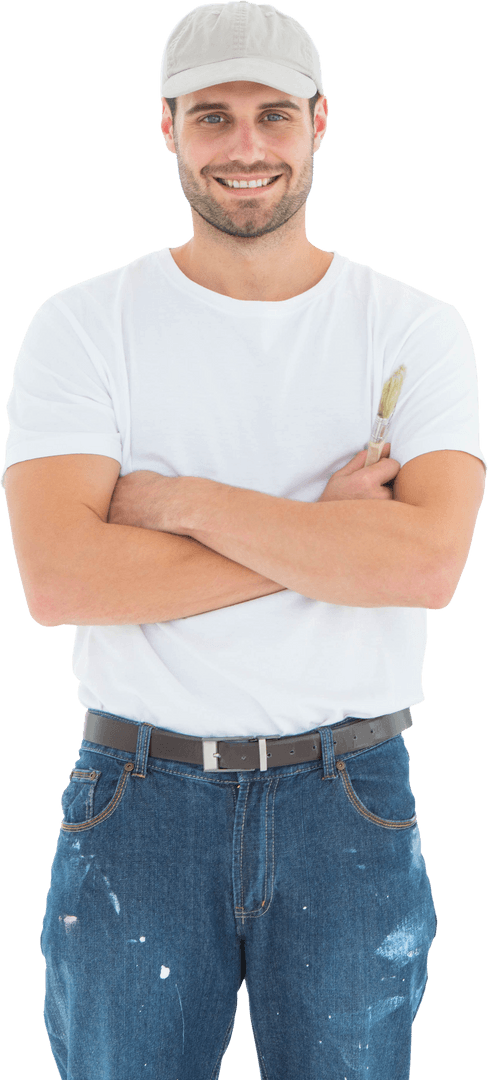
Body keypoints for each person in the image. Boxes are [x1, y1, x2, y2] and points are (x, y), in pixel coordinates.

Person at [1, 2, 486, 1078]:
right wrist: (321, 535)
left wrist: (178, 501)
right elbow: (61, 576)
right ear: (166, 128)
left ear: (319, 122)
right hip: (133, 798)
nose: (246, 147)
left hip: (349, 799)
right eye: (211, 116)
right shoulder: (85, 325)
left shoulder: (411, 328)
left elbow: (421, 563)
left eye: (272, 114)